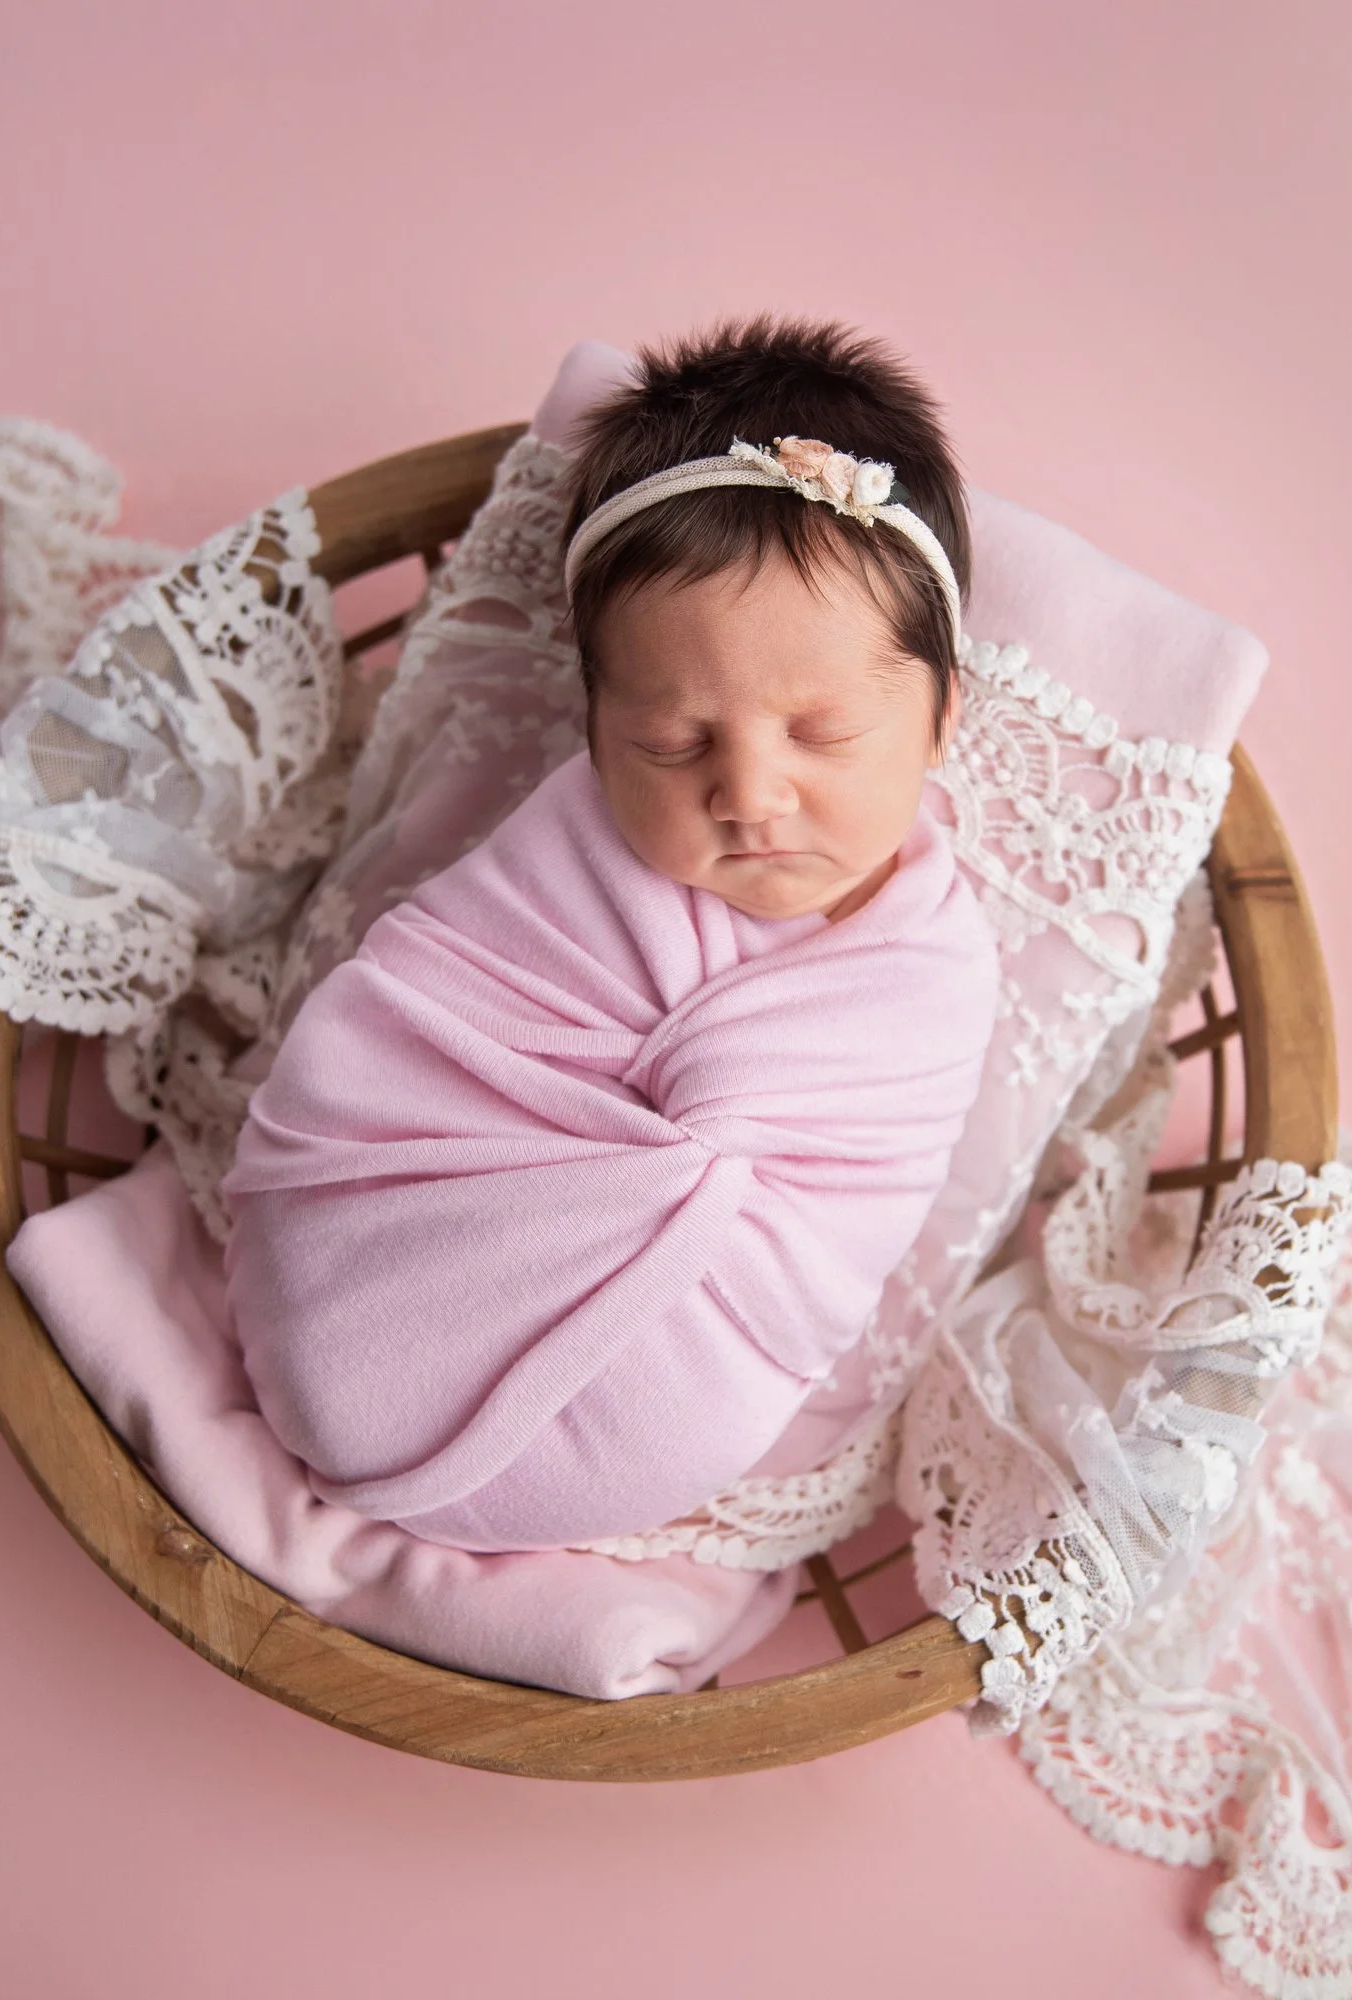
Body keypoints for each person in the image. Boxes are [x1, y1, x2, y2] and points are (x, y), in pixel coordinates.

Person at [220, 321, 1001, 1551]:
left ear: (943, 714)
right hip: (388, 1256)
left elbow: (847, 1214)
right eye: (673, 743)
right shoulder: (566, 863)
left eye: (823, 734)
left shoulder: (931, 971)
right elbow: (413, 1024)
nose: (747, 793)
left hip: (681, 1371)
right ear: (593, 734)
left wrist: (681, 1167)